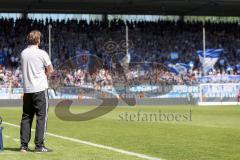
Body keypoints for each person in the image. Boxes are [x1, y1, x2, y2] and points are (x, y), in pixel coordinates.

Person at [20, 30, 53, 153]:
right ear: (38, 40)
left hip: (27, 90)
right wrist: (44, 75)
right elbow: (50, 69)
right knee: (41, 117)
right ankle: (39, 146)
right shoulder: (42, 53)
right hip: (40, 89)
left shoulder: (23, 53)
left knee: (26, 117)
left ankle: (23, 146)